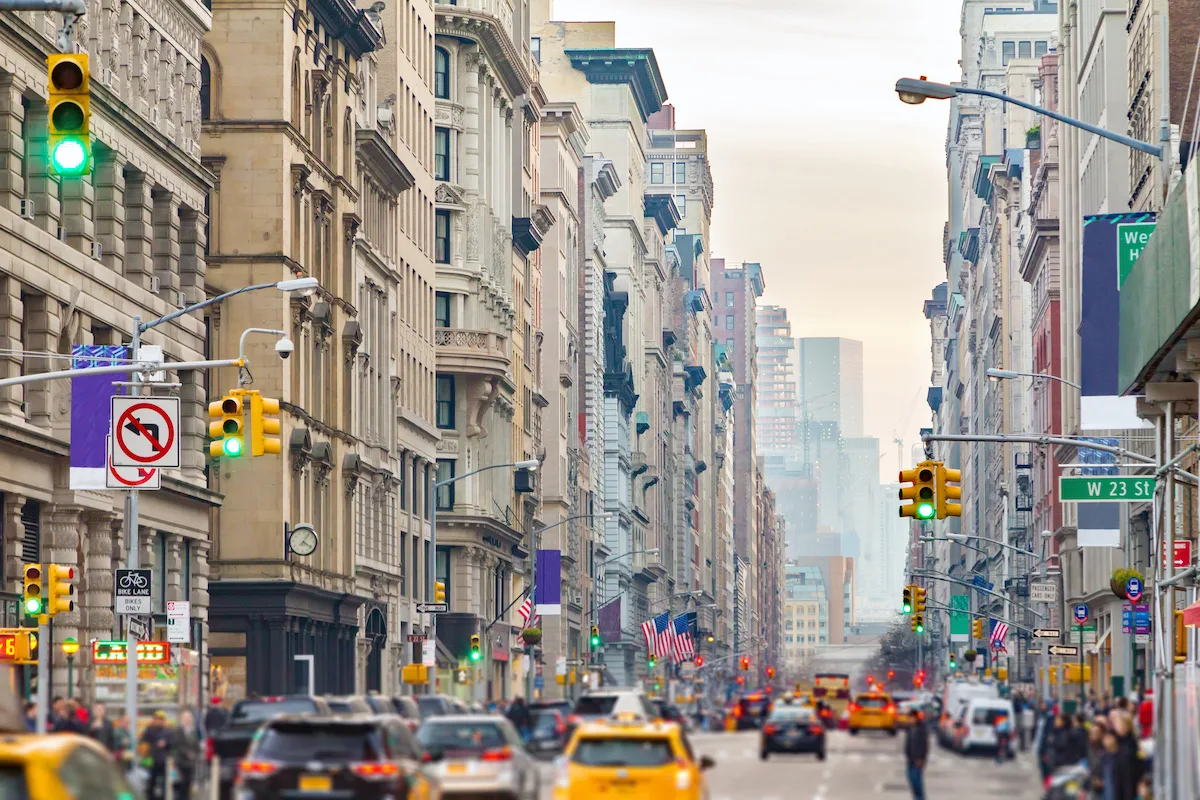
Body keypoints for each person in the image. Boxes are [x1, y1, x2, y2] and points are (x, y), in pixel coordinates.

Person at [140, 711, 174, 800]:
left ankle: (164, 797)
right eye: (156, 719)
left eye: (160, 719)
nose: (158, 721)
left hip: (164, 761)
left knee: (165, 783)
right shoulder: (149, 730)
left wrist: (165, 743)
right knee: (150, 782)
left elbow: (173, 744)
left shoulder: (168, 731)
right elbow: (143, 741)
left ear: (163, 720)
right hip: (151, 760)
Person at [173, 709, 201, 800]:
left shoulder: (193, 731)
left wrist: (198, 752)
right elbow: (178, 745)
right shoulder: (178, 730)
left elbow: (196, 745)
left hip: (191, 762)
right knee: (182, 782)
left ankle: (187, 798)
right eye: (186, 719)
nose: (188, 721)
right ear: (182, 720)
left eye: (189, 719)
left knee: (189, 782)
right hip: (181, 761)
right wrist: (187, 753)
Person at [904, 710, 929, 800]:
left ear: (915, 718)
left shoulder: (921, 729)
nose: (909, 720)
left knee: (917, 783)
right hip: (910, 760)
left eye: (910, 718)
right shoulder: (911, 729)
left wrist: (921, 758)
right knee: (912, 781)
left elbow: (924, 745)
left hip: (917, 761)